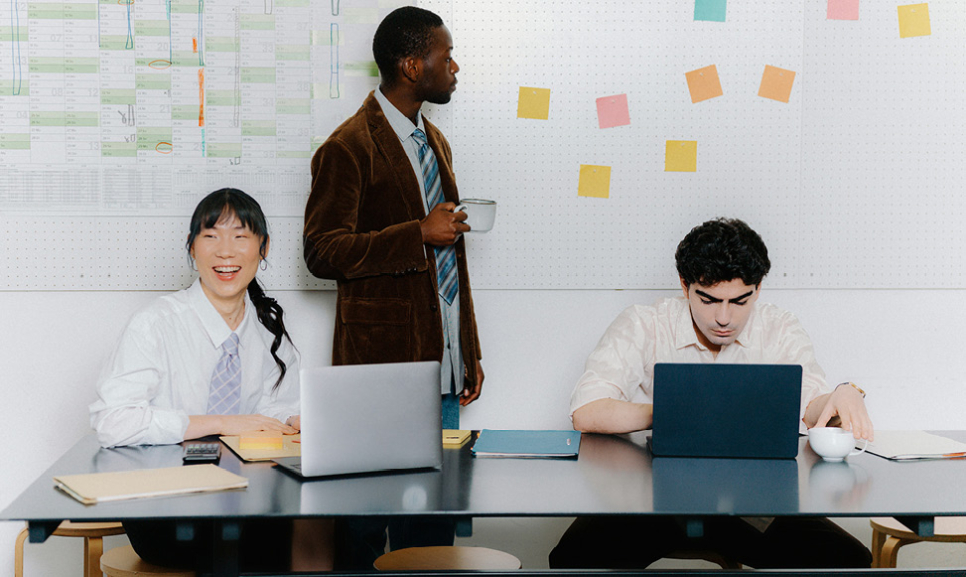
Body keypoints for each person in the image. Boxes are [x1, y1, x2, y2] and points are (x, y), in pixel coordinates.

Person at [549, 217, 874, 570]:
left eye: (739, 301)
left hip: (752, 507)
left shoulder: (780, 328)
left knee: (849, 559)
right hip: (653, 501)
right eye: (708, 299)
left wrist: (844, 394)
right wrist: (678, 411)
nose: (723, 317)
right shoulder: (644, 323)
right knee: (572, 560)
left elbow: (813, 407)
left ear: (758, 289)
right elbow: (586, 410)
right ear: (685, 285)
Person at [303, 6, 482, 569]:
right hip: (379, 372)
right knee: (365, 523)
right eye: (445, 55)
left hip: (442, 367)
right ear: (411, 65)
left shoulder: (435, 142)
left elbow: (448, 262)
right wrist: (416, 233)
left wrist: (467, 349)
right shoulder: (348, 146)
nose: (455, 66)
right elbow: (322, 251)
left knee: (432, 526)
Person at [89, 188, 329, 572]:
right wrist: (220, 423)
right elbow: (113, 422)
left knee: (320, 516)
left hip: (251, 498)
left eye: (241, 237)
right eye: (211, 236)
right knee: (252, 541)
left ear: (263, 248)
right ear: (192, 247)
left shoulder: (269, 333)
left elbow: (276, 407)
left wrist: (292, 421)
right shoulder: (155, 324)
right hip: (166, 506)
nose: (226, 252)